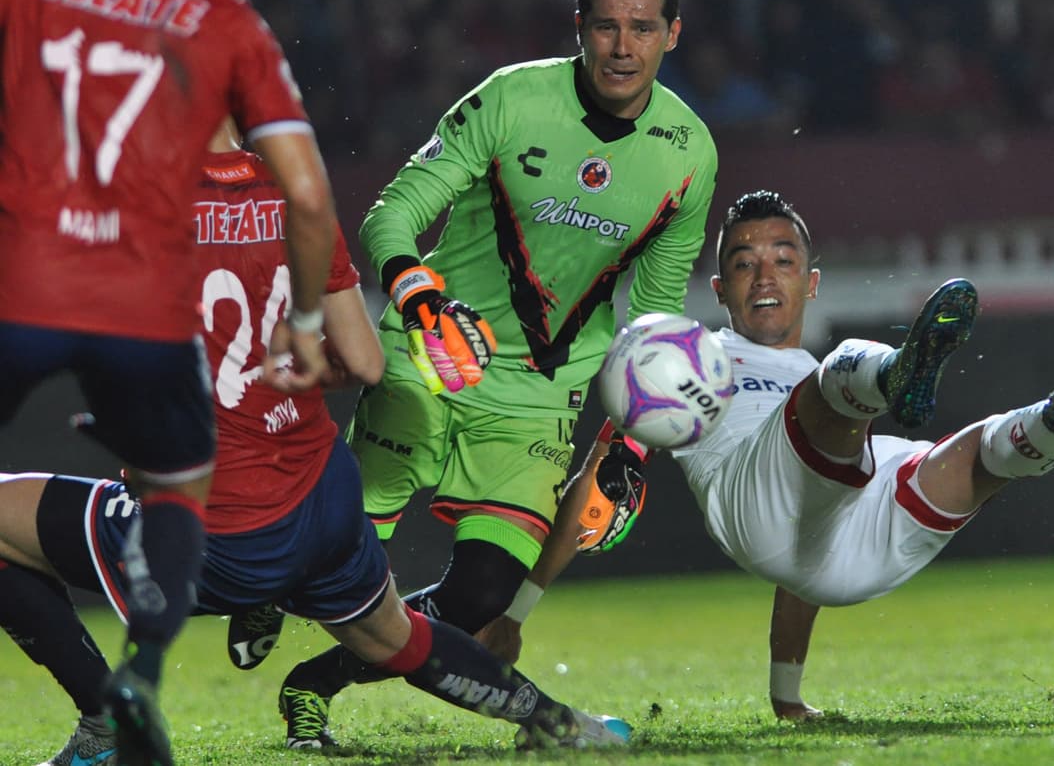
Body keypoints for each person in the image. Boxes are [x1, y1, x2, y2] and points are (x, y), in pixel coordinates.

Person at [0, 123, 630, 766]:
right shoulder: (296, 192)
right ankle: (562, 723)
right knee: (396, 636)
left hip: (224, 520)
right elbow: (363, 361)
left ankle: (107, 726)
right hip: (322, 498)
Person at [274, 0, 718, 746]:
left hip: (542, 393)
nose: (623, 47)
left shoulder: (689, 154)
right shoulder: (511, 98)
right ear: (578, 27)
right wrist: (418, 295)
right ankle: (262, 584)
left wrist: (630, 447)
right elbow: (392, 216)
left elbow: (653, 325)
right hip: (435, 350)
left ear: (673, 34)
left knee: (482, 596)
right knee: (344, 561)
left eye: (643, 28)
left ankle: (316, 680)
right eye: (607, 26)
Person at [484, 189, 1054, 719]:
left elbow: (806, 535)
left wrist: (786, 693)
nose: (764, 276)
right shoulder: (683, 359)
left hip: (846, 549)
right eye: (743, 263)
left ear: (812, 282)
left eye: (783, 260)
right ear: (719, 289)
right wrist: (514, 614)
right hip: (751, 502)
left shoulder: (810, 381)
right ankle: (899, 373)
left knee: (984, 448)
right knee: (836, 384)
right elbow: (600, 476)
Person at [0, 0, 337, 763]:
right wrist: (309, 323)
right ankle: (136, 683)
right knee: (177, 484)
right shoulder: (225, 23)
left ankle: (104, 717)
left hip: (34, 283)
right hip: (141, 319)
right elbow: (311, 200)